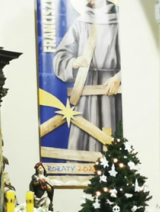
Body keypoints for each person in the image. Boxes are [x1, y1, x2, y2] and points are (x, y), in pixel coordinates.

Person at [52, 0, 122, 152]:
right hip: (85, 86)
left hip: (111, 90)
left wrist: (119, 77)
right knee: (84, 136)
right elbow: (61, 56)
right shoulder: (81, 22)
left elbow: (133, 56)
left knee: (111, 136)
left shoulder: (121, 20)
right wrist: (73, 62)